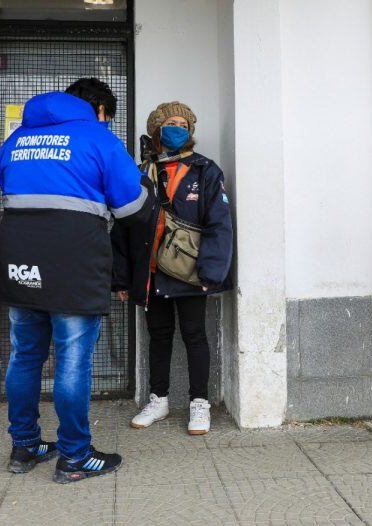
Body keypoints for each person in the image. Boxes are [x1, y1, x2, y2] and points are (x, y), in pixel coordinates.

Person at [0, 78, 153, 484]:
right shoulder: (98, 139)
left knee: (25, 355)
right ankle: (75, 456)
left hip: (20, 258)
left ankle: (24, 445)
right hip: (73, 263)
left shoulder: (15, 141)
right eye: (108, 116)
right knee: (73, 360)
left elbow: (11, 188)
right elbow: (133, 207)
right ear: (99, 108)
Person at [112, 101, 233, 436]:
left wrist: (212, 272)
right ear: (157, 129)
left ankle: (199, 403)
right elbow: (121, 227)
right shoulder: (139, 173)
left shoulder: (205, 171)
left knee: (195, 335)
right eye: (171, 122)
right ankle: (159, 399)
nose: (178, 127)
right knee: (158, 337)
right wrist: (121, 277)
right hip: (150, 274)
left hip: (190, 273)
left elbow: (219, 224)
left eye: (183, 123)